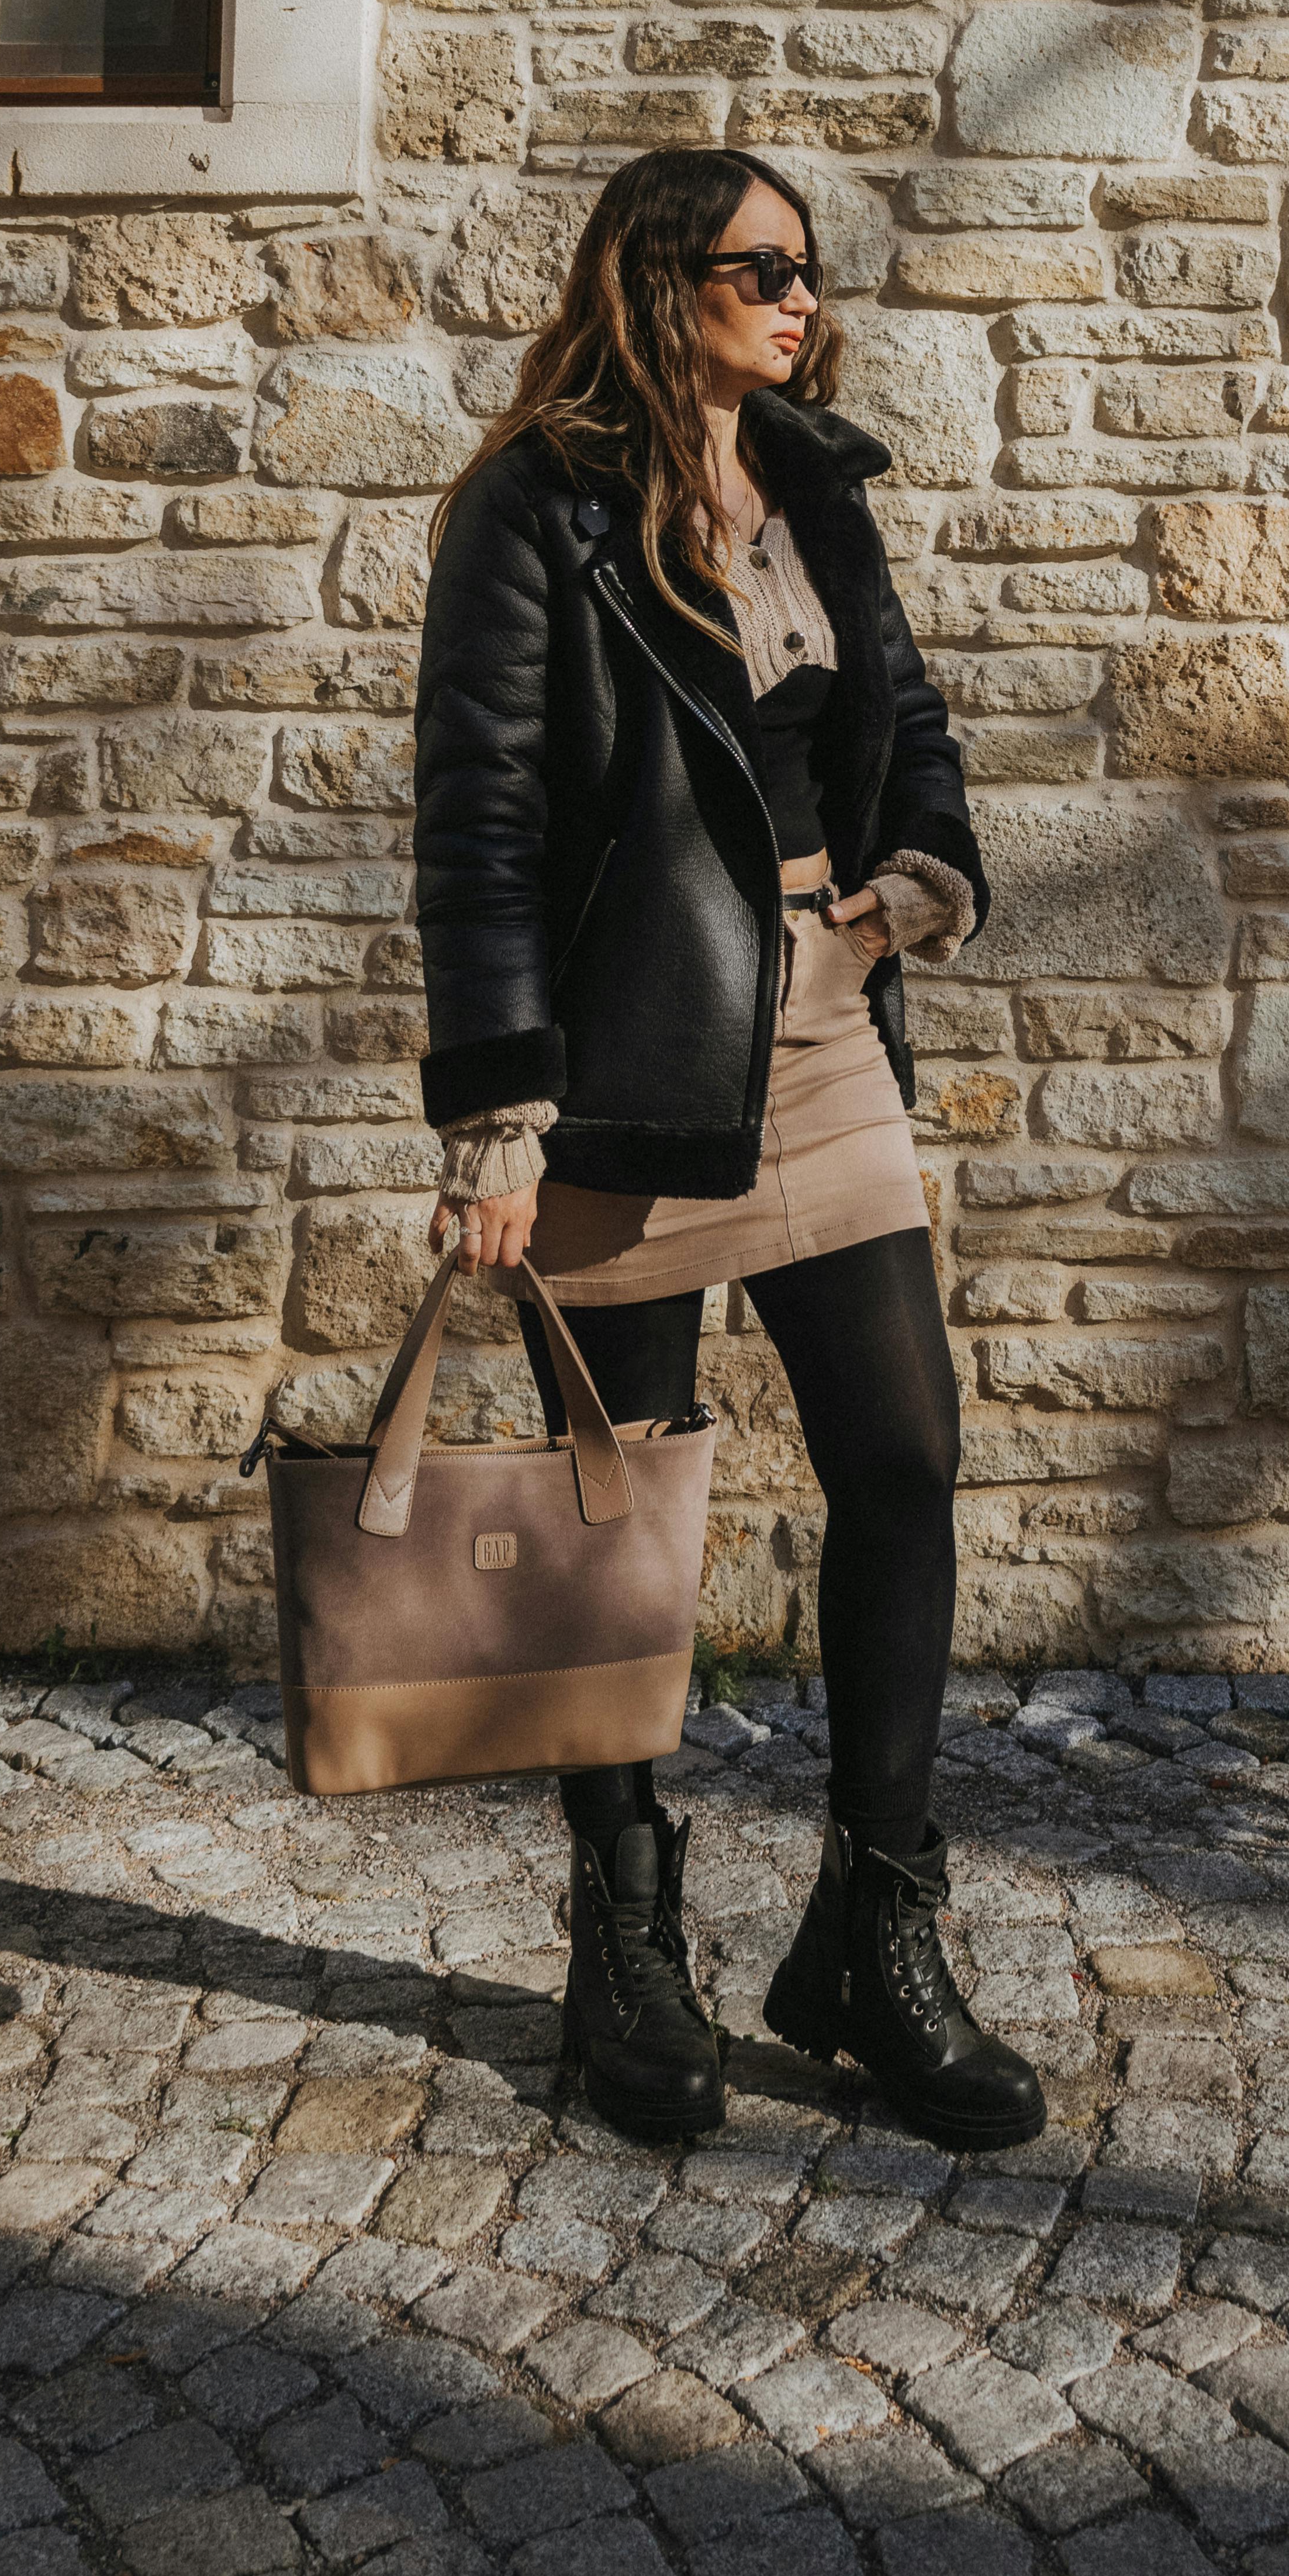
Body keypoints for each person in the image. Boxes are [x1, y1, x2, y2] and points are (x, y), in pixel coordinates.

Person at [414, 144, 1045, 2156]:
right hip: (624, 1064)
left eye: (811, 273)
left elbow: (908, 719)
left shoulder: (818, 486)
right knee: (631, 1524)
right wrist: (498, 1107)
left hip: (825, 1035)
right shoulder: (534, 508)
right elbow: (482, 814)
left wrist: (918, 879)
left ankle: (875, 1929)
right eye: (765, 270)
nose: (802, 303)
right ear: (659, 277)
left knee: (904, 1452)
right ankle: (626, 1937)